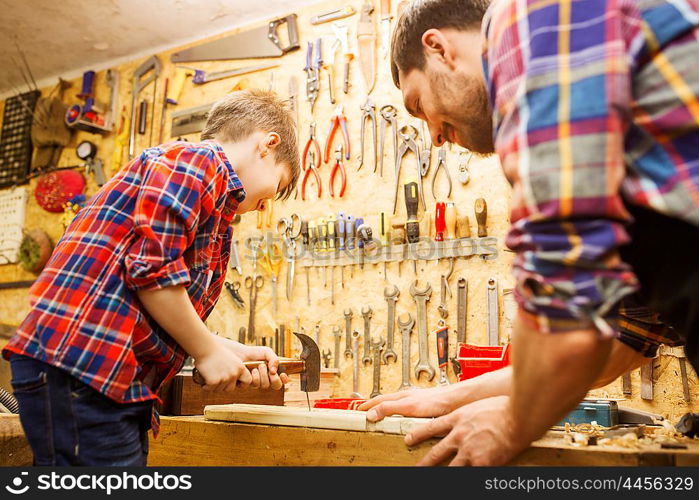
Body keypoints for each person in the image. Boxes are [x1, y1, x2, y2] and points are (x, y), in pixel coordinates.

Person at [360, 0, 699, 466]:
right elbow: (623, 340)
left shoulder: (529, 16)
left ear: (438, 48)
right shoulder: (635, 155)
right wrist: (448, 397)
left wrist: (514, 420)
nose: (433, 137)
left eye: (420, 107)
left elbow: (569, 314)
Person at [3, 89, 300, 466]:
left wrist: (231, 351)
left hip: (103, 372)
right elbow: (153, 274)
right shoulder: (196, 163)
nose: (264, 205)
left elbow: (151, 298)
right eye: (277, 185)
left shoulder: (207, 194)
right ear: (267, 145)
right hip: (84, 364)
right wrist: (206, 352)